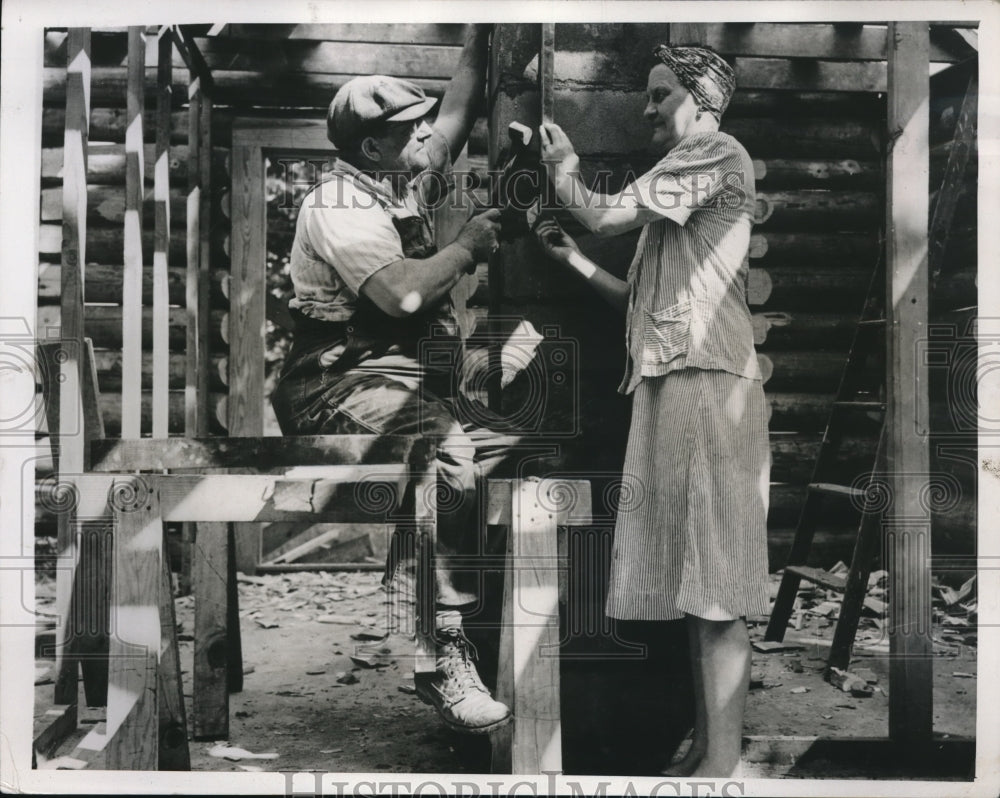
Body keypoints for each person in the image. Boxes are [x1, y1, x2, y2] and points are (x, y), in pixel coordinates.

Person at [271, 25, 516, 735]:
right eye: (412, 135)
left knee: (506, 448)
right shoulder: (339, 205)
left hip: (393, 382)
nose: (428, 142)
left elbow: (455, 112)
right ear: (375, 147)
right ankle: (440, 655)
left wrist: (483, 32)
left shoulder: (395, 178)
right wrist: (469, 247)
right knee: (448, 455)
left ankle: (439, 619)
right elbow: (401, 298)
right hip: (331, 384)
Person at [534, 44, 769, 777]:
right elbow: (636, 300)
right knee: (693, 580)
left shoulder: (714, 151)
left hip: (709, 386)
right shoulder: (680, 187)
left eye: (660, 94)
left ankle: (721, 768)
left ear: (701, 100)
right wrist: (563, 258)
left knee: (716, 583)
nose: (646, 108)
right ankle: (710, 746)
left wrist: (561, 168)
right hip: (674, 386)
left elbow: (603, 218)